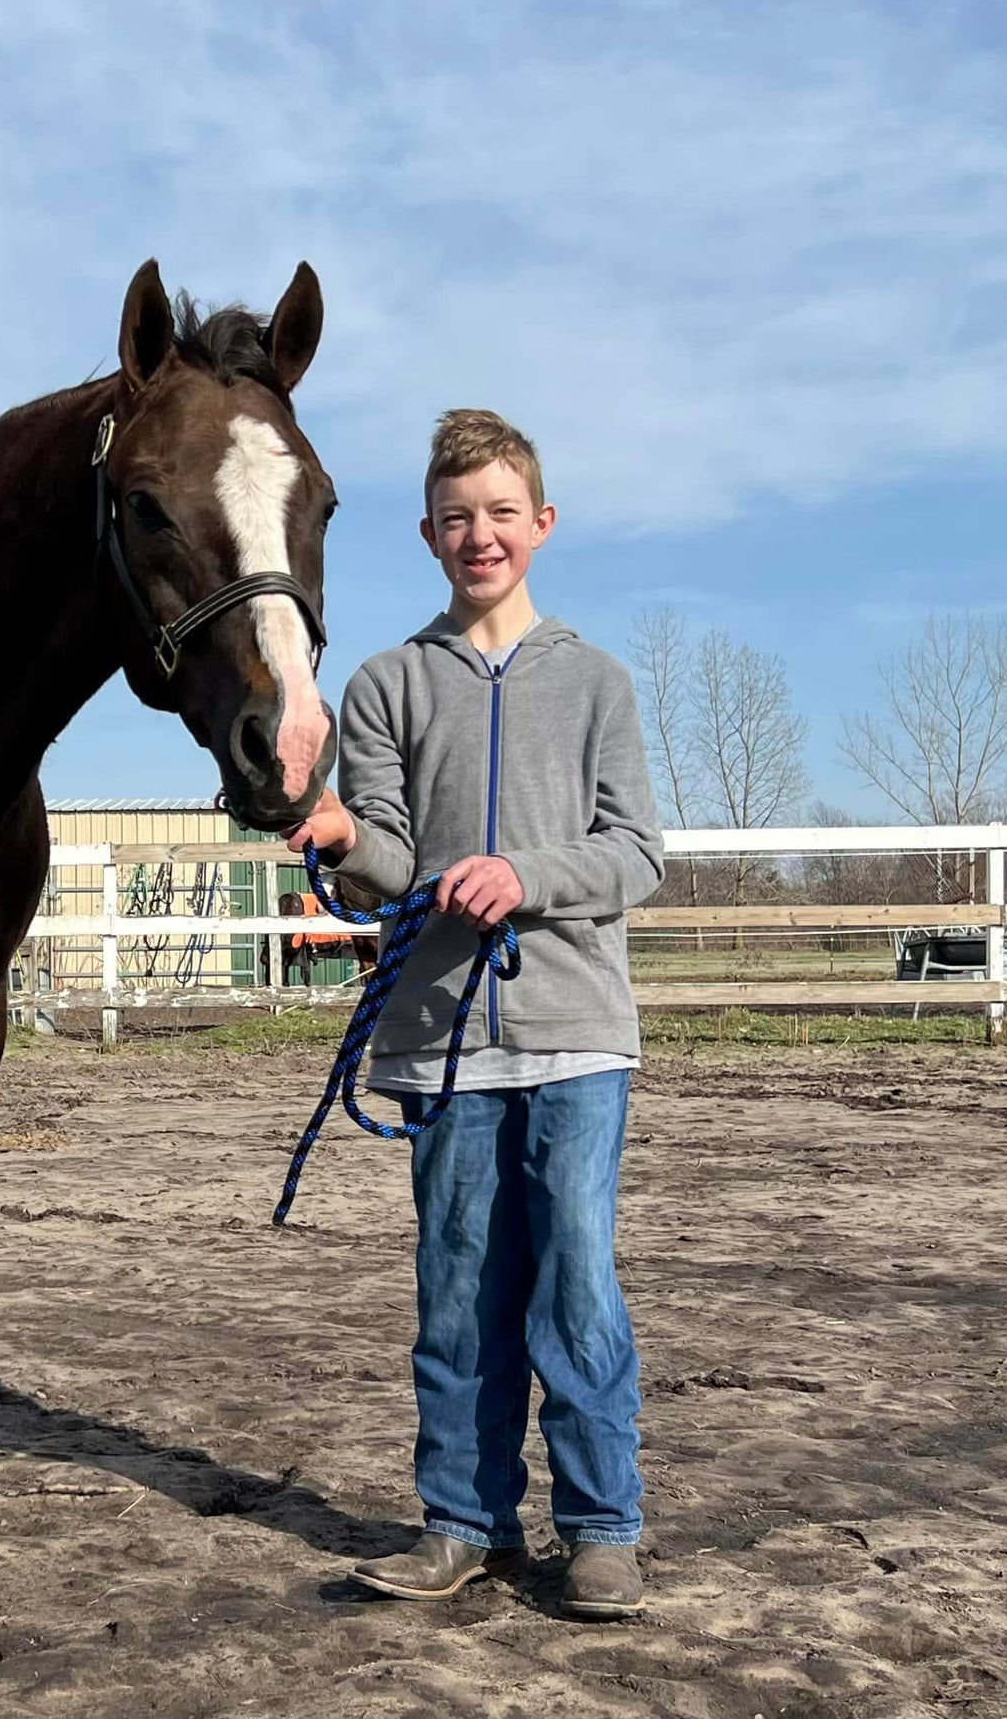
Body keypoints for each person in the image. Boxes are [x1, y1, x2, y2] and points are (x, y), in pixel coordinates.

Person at [285, 409, 665, 1621]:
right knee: (454, 1289)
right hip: (440, 1038)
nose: (478, 534)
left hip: (574, 1036)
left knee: (575, 1285)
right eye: (456, 517)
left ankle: (602, 1526)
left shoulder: (596, 682)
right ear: (427, 534)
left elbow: (632, 854)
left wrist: (525, 875)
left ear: (539, 526)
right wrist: (347, 845)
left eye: (500, 513)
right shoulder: (386, 683)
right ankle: (463, 1521)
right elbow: (392, 864)